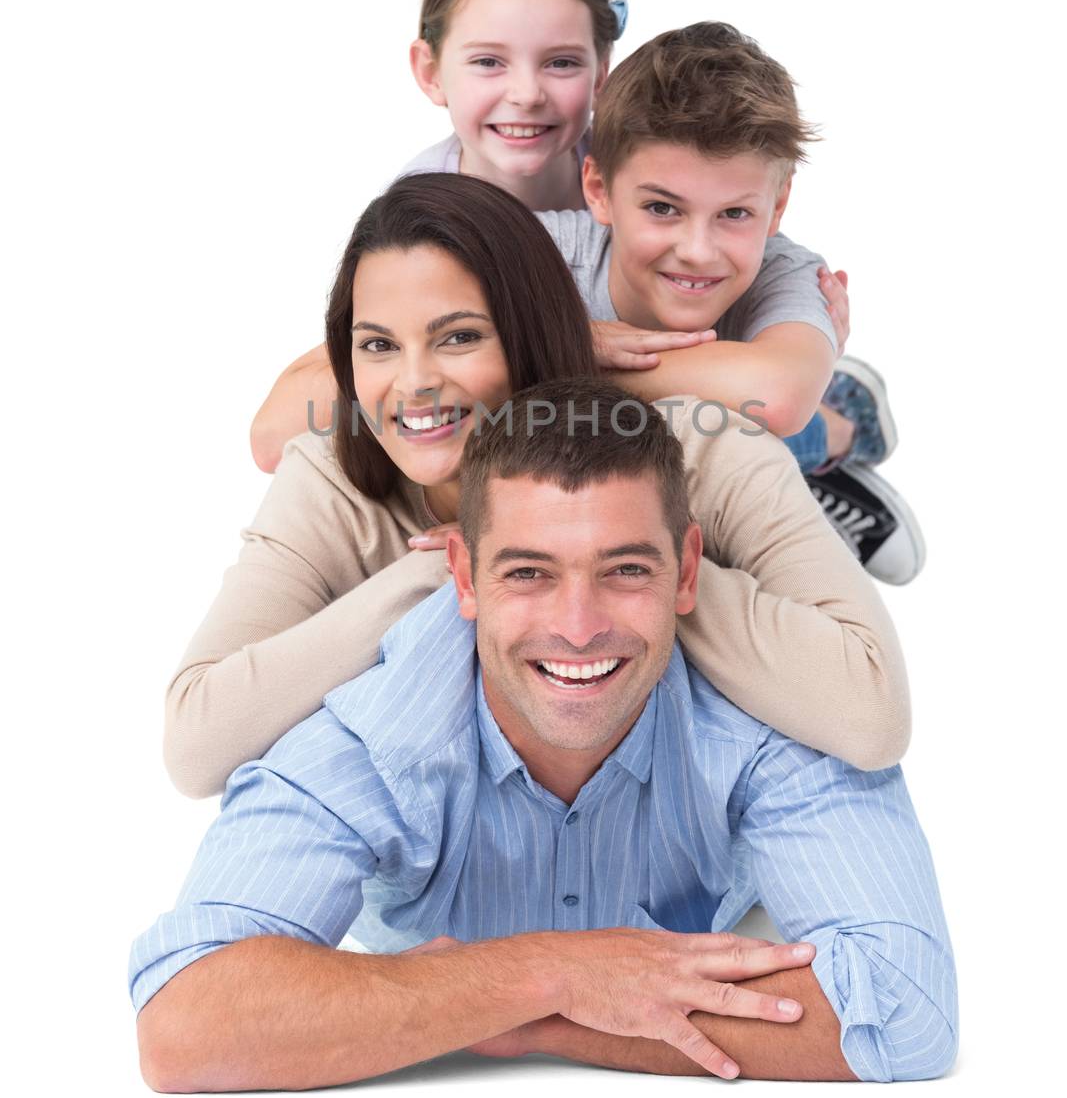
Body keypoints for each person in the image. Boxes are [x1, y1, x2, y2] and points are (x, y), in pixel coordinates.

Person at [132, 381, 956, 1092]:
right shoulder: (366, 735)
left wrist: (520, 1018)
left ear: (684, 571)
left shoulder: (773, 715)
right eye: (526, 572)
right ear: (460, 576)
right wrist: (553, 972)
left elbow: (904, 1009)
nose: (577, 625)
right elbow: (187, 1018)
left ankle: (829, 445)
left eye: (626, 569)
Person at [163, 176, 908, 801]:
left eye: (459, 337)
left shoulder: (702, 452)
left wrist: (631, 567)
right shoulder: (331, 477)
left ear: (530, 336)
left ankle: (839, 436)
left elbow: (871, 715)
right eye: (378, 346)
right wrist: (438, 575)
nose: (416, 383)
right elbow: (196, 747)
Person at [250, 0, 915, 580]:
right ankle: (833, 430)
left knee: (715, 431)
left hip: (697, 430)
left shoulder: (678, 171)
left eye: (560, 62)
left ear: (600, 76)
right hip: (592, 446)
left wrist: (535, 353)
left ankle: (836, 432)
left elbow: (773, 391)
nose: (525, 93)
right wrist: (563, 344)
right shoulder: (439, 212)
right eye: (489, 61)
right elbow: (313, 402)